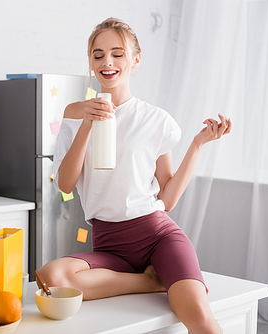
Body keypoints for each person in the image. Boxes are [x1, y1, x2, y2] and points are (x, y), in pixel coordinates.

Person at [38, 18, 232, 334]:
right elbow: (65, 184)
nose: (107, 62)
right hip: (108, 244)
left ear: (135, 60)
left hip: (157, 236)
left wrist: (198, 144)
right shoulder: (74, 115)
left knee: (198, 315)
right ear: (90, 61)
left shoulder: (156, 120)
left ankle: (161, 273)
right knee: (50, 278)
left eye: (117, 53)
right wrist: (88, 122)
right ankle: (150, 280)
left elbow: (166, 199)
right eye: (98, 55)